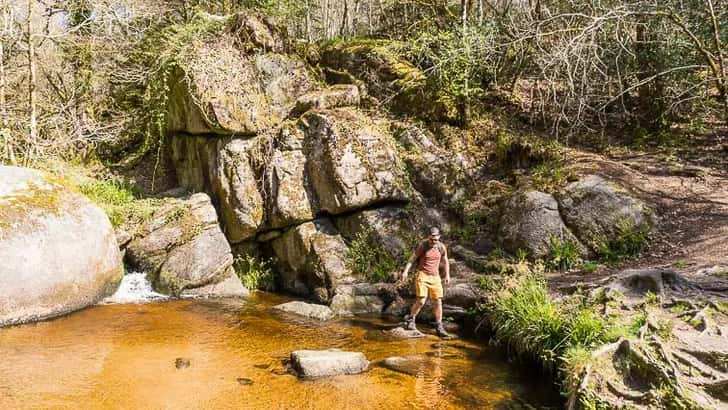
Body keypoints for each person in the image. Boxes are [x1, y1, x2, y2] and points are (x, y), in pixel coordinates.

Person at [399, 226, 451, 338]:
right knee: (421, 301)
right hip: (422, 274)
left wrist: (447, 275)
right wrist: (405, 272)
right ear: (428, 237)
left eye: (436, 239)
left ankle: (439, 326)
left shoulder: (441, 247)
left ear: (439, 237)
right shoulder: (423, 245)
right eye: (432, 239)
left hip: (435, 276)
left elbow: (445, 260)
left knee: (438, 301)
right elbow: (412, 258)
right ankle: (411, 320)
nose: (433, 241)